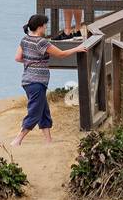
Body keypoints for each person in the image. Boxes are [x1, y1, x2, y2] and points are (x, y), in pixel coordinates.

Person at [12, 14, 86, 147]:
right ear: (40, 27)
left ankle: (48, 141)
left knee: (43, 110)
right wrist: (77, 48)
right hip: (37, 82)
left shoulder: (25, 39)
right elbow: (61, 54)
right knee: (34, 111)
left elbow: (18, 58)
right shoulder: (41, 42)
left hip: (27, 81)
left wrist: (31, 61)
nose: (46, 28)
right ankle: (18, 139)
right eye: (45, 25)